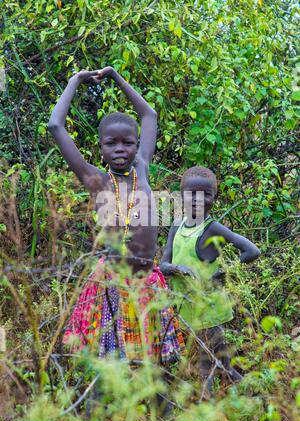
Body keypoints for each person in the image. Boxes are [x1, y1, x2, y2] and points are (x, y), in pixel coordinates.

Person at [48, 67, 185, 368]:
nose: (120, 149)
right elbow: (56, 126)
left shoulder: (143, 169)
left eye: (128, 143)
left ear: (137, 145)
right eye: (112, 143)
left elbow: (149, 116)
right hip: (111, 283)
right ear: (101, 148)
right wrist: (75, 80)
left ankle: (156, 415)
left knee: (155, 367)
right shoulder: (95, 179)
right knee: (110, 366)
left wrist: (115, 76)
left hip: (148, 280)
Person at [160, 166, 261, 396]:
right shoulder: (177, 226)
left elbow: (252, 251)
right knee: (217, 361)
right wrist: (178, 269)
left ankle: (212, 405)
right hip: (186, 306)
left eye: (205, 194)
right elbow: (163, 265)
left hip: (208, 308)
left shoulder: (212, 228)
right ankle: (251, 396)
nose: (197, 200)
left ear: (214, 199)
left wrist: (221, 274)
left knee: (208, 362)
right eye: (191, 193)